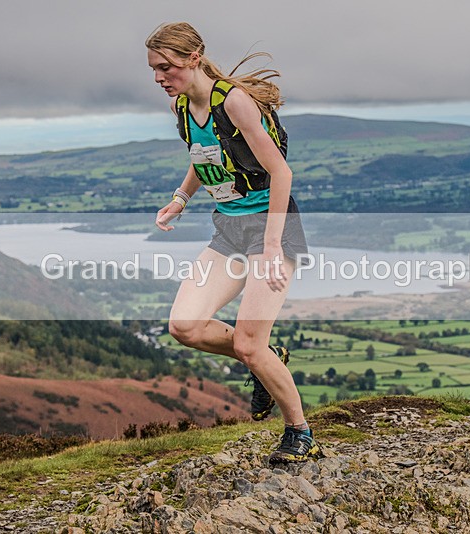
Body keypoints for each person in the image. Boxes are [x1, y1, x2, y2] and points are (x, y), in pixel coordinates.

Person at [146, 22, 321, 464]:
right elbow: (202, 157)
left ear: (194, 57)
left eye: (166, 67)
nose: (159, 78)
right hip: (228, 231)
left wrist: (271, 247)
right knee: (184, 326)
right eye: (153, 69)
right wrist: (180, 199)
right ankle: (268, 358)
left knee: (247, 345)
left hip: (271, 230)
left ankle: (300, 432)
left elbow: (281, 173)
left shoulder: (235, 102)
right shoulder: (183, 108)